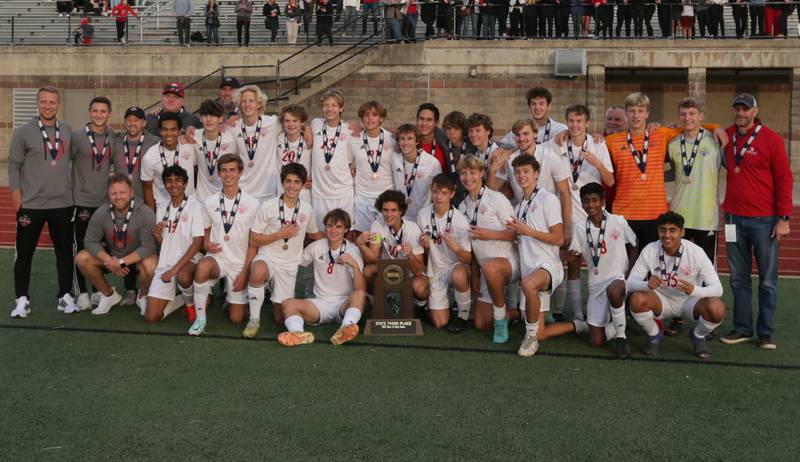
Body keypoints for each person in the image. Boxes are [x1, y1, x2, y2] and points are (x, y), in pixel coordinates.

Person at [720, 94, 793, 350]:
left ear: (755, 111)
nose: (741, 113)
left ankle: (766, 332)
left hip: (764, 220)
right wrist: (714, 128)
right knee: (738, 278)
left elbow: (785, 180)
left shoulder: (771, 139)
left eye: (745, 109)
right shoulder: (727, 135)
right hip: (733, 218)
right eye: (737, 108)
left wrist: (783, 218)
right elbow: (703, 128)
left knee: (767, 279)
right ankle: (742, 327)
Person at [8, 87, 76, 318]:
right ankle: (22, 299)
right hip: (32, 205)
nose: (48, 106)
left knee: (65, 252)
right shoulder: (23, 132)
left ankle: (64, 296)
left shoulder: (66, 130)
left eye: (52, 102)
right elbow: (14, 165)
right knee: (24, 254)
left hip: (62, 204)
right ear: (38, 103)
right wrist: (17, 197)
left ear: (59, 104)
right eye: (44, 102)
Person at [627, 212, 724, 358]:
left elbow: (718, 289)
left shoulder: (696, 252)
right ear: (658, 231)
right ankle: (654, 334)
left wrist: (695, 290)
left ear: (682, 232)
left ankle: (698, 336)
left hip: (689, 301)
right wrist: (646, 284)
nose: (667, 235)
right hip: (661, 299)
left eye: (672, 230)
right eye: (663, 230)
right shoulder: (650, 250)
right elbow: (630, 283)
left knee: (716, 308)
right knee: (636, 299)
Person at [506, 154, 576, 357]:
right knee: (542, 332)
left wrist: (526, 231)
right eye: (517, 172)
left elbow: (558, 238)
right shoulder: (518, 207)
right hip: (531, 270)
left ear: (536, 174)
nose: (521, 176)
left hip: (548, 267)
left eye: (526, 171)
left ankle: (529, 338)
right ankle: (577, 326)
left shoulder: (548, 199)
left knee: (527, 284)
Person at [550, 105, 614, 322]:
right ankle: (574, 312)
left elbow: (610, 180)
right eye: (571, 121)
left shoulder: (598, 144)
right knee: (571, 263)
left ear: (587, 123)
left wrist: (596, 162)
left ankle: (601, 311)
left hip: (594, 215)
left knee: (598, 265)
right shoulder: (557, 143)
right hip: (567, 215)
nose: (575, 125)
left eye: (579, 121)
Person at [246, 163, 321, 338]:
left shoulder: (307, 209)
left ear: (303, 185)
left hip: (289, 264)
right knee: (258, 272)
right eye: (288, 181)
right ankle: (254, 319)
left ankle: (276, 293)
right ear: (282, 182)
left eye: (296, 182)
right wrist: (280, 234)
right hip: (268, 258)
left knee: (280, 319)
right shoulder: (268, 206)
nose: (292, 186)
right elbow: (253, 238)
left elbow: (315, 234)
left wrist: (341, 240)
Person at [190, 154, 261, 335]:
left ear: (240, 173)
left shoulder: (253, 204)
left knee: (236, 319)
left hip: (240, 262)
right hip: (218, 257)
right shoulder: (209, 201)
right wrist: (206, 244)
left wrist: (246, 271)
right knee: (203, 266)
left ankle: (233, 300)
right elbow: (205, 232)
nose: (228, 174)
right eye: (224, 170)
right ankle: (200, 319)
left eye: (232, 170)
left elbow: (254, 242)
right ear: (219, 173)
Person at [278, 209, 366, 347]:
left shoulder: (353, 251)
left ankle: (346, 327)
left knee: (360, 295)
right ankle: (298, 333)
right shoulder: (317, 247)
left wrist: (354, 266)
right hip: (319, 303)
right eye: (330, 226)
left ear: (346, 229)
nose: (333, 230)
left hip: (343, 304)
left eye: (338, 227)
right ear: (325, 227)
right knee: (288, 304)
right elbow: (294, 263)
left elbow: (361, 289)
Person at [569, 183, 637, 358]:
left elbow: (633, 245)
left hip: (617, 278)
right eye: (586, 201)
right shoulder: (579, 228)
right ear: (582, 204)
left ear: (603, 201)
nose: (590, 205)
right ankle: (618, 323)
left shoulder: (618, 221)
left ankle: (621, 338)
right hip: (596, 285)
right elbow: (574, 256)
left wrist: (628, 274)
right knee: (596, 342)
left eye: (594, 200)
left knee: (614, 291)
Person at [74, 174, 158, 315]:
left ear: (131, 193)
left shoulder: (145, 213)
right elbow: (90, 241)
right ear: (108, 195)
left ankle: (142, 297)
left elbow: (148, 247)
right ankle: (109, 295)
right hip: (113, 258)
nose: (118, 196)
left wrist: (121, 262)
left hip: (138, 259)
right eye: (114, 193)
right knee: (82, 258)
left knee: (151, 265)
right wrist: (110, 260)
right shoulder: (102, 212)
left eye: (122, 192)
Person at [457, 155, 520, 343]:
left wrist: (489, 234)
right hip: (485, 269)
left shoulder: (496, 198)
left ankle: (500, 321)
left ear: (482, 173)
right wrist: (475, 274)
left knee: (491, 268)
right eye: (464, 173)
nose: (468, 177)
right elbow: (472, 248)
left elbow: (515, 234)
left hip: (509, 263)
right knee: (481, 323)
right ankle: (519, 313)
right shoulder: (462, 206)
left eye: (473, 172)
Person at [70, 97, 117, 311]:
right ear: (90, 112)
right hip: (81, 202)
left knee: (101, 248)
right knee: (80, 247)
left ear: (109, 114)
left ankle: (99, 290)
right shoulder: (77, 137)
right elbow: (61, 162)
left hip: (104, 204)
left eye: (103, 111)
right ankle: (81, 292)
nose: (99, 115)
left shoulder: (113, 136)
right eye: (96, 111)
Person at [145, 166, 204, 324]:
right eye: (169, 181)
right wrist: (157, 236)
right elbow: (165, 244)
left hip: (190, 260)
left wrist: (174, 270)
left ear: (185, 183)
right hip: (166, 262)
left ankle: (191, 305)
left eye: (177, 180)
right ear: (164, 184)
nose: (173, 184)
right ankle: (182, 300)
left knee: (184, 276)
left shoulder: (195, 206)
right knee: (151, 317)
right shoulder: (162, 206)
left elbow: (198, 242)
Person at [416, 174, 473, 331]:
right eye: (435, 192)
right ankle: (433, 303)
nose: (438, 197)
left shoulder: (460, 220)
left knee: (459, 274)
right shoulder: (422, 214)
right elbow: (420, 251)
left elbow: (468, 258)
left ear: (452, 194)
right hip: (434, 270)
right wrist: (424, 245)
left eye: (443, 193)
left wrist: (455, 247)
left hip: (454, 266)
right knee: (440, 323)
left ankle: (463, 316)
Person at [357, 190, 429, 309]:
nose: (388, 214)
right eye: (385, 210)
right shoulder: (377, 225)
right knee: (368, 271)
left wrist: (410, 254)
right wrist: (361, 245)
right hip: (388, 268)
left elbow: (419, 270)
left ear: (401, 211)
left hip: (409, 271)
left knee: (419, 287)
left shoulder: (412, 229)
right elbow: (373, 258)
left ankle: (420, 305)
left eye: (393, 210)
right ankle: (373, 300)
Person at [310, 90, 356, 229]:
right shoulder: (315, 124)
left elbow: (353, 158)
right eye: (326, 105)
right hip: (320, 191)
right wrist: (304, 127)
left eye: (334, 105)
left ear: (341, 108)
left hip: (342, 191)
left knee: (344, 231)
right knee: (322, 232)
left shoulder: (349, 129)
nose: (329, 109)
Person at [350, 101, 398, 233]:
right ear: (362, 118)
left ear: (381, 118)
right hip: (362, 198)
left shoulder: (392, 139)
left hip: (385, 198)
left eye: (375, 115)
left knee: (382, 238)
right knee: (365, 237)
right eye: (366, 115)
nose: (370, 118)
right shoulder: (354, 139)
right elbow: (348, 164)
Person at [234, 85, 281, 202]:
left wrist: (306, 129)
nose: (247, 104)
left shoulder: (273, 123)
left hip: (268, 191)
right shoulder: (233, 127)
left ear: (259, 104)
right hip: (243, 191)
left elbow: (294, 122)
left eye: (251, 101)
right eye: (243, 101)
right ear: (239, 104)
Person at [140, 111, 196, 211]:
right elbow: (147, 188)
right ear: (160, 131)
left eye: (173, 129)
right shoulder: (150, 156)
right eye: (165, 130)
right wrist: (152, 215)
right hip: (163, 209)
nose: (169, 134)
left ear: (180, 131)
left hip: (190, 207)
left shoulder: (190, 147)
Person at [392, 124, 443, 222]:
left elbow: (439, 191)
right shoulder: (394, 158)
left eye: (410, 138)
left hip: (422, 218)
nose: (405, 142)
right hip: (399, 216)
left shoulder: (432, 163)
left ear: (417, 141)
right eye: (402, 138)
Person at [193, 99, 237, 202]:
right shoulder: (194, 137)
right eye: (205, 115)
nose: (208, 119)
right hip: (201, 199)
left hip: (224, 197)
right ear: (200, 118)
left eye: (213, 115)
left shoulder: (229, 140)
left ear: (221, 118)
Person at [112, 106, 159, 203]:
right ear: (125, 122)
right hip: (121, 201)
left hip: (147, 201)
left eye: (136, 120)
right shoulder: (116, 141)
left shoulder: (155, 142)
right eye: (129, 120)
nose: (132, 123)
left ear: (144, 123)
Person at [500, 87, 567, 148]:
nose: (537, 107)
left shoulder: (560, 129)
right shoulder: (520, 129)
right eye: (533, 104)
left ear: (548, 106)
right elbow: (502, 145)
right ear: (529, 107)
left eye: (541, 104)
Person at [275, 104, 312, 202]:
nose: (291, 124)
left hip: (304, 192)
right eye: (287, 121)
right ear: (282, 123)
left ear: (302, 123)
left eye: (295, 120)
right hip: (282, 190)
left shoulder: (309, 141)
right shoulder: (277, 138)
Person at [441, 111, 473, 205]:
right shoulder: (444, 141)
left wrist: (509, 150)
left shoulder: (471, 144)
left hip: (469, 192)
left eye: (456, 128)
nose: (451, 132)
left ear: (463, 130)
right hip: (453, 194)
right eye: (448, 129)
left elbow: (501, 144)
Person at [416, 103, 449, 172]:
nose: (424, 123)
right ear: (417, 120)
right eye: (421, 119)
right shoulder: (409, 143)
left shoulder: (445, 144)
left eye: (429, 120)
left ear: (436, 123)